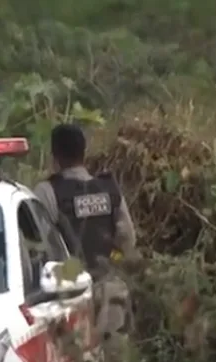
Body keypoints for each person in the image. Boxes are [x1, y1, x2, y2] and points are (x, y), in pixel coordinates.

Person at [34, 123, 138, 337]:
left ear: (55, 157)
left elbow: (38, 248)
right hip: (110, 287)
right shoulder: (110, 189)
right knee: (114, 361)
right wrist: (111, 259)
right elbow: (128, 240)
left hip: (68, 293)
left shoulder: (47, 191)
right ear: (84, 153)